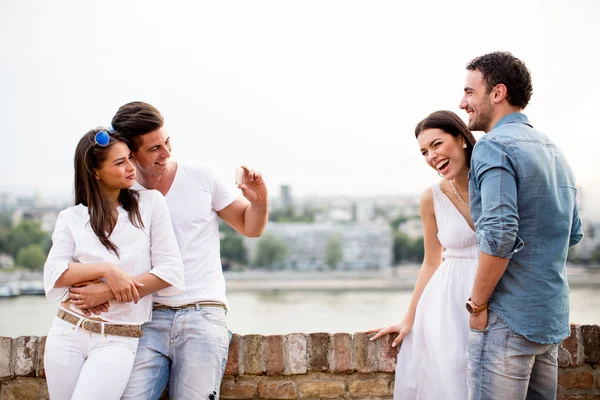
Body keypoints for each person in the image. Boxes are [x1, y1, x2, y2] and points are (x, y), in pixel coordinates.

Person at [68, 102, 269, 399]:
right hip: (145, 318)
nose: (167, 153)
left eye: (167, 142)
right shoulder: (121, 197)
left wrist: (260, 200)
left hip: (204, 313)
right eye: (154, 149)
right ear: (131, 154)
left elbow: (249, 226)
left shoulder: (203, 177)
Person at [459, 51, 583, 399]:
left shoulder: (493, 147)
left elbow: (499, 236)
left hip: (507, 320)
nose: (463, 102)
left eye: (470, 91)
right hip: (549, 319)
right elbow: (573, 233)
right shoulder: (554, 150)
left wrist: (478, 306)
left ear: (497, 93)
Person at [43, 128, 185, 400]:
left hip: (118, 338)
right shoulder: (71, 217)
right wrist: (108, 270)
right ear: (95, 172)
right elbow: (54, 273)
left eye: (130, 158)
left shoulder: (151, 204)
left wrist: (107, 291)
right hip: (67, 333)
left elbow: (169, 272)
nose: (131, 168)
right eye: (120, 163)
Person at [366, 110, 478, 399]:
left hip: (499, 296)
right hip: (448, 305)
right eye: (424, 152)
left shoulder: (497, 181)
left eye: (437, 144)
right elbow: (431, 261)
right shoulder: (431, 196)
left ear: (461, 138)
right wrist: (409, 318)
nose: (431, 157)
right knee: (452, 384)